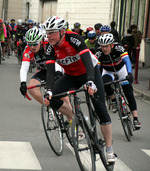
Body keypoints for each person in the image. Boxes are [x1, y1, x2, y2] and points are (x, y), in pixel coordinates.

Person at [44, 16, 116, 162]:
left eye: (52, 32)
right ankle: (76, 117)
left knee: (100, 108)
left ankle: (109, 149)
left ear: (62, 31)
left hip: (90, 72)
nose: (49, 35)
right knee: (52, 99)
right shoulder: (50, 47)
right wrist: (49, 90)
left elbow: (88, 61)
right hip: (71, 76)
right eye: (47, 32)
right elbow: (51, 72)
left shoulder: (74, 39)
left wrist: (90, 81)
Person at [95, 33, 141, 130]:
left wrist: (129, 73)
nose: (104, 49)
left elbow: (127, 60)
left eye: (106, 46)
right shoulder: (99, 53)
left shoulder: (118, 48)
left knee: (128, 93)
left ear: (112, 45)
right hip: (108, 71)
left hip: (121, 70)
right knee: (104, 84)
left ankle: (135, 118)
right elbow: (97, 69)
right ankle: (113, 99)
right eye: (102, 47)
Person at [19, 27, 63, 104]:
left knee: (62, 95)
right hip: (43, 70)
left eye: (35, 44)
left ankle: (72, 114)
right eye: (30, 44)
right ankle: (48, 104)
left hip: (56, 68)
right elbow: (24, 68)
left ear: (41, 41)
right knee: (31, 89)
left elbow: (58, 60)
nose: (32, 47)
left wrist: (58, 73)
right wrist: (23, 82)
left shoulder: (49, 45)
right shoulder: (28, 49)